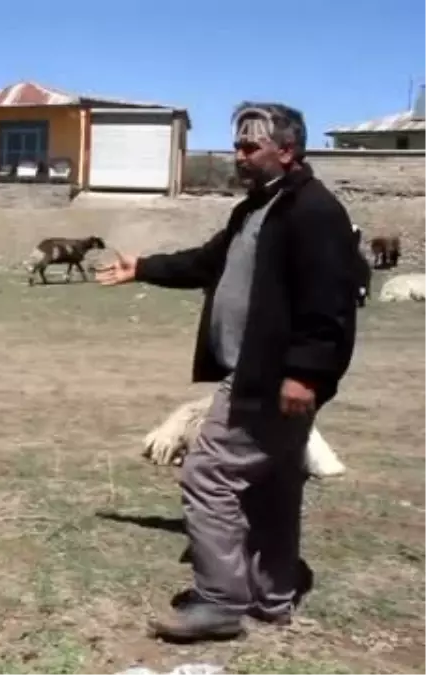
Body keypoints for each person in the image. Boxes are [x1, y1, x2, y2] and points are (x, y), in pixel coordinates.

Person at [96, 102, 359, 643]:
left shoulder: (313, 211)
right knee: (272, 487)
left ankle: (219, 602)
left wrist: (304, 372)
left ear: (285, 150)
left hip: (270, 377)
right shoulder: (257, 209)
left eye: (249, 147)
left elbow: (329, 303)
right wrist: (143, 267)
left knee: (207, 475)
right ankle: (272, 598)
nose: (238, 156)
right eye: (236, 145)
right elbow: (208, 261)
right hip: (263, 372)